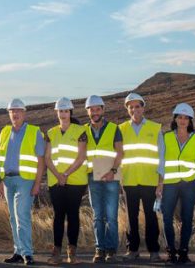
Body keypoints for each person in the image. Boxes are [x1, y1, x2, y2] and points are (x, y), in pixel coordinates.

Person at [0, 98, 46, 265]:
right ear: (9, 113)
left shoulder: (34, 132)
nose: (15, 114)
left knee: (22, 216)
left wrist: (37, 183)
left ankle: (27, 253)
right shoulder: (4, 132)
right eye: (12, 111)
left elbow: (41, 161)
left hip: (25, 180)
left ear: (24, 113)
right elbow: (1, 158)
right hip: (8, 181)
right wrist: (0, 180)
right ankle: (18, 251)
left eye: (18, 110)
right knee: (13, 217)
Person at [159, 103, 195, 265]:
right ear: (175, 119)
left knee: (187, 218)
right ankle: (171, 252)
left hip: (189, 185)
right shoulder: (166, 137)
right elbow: (161, 161)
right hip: (170, 184)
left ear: (190, 120)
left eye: (186, 118)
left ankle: (184, 252)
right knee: (166, 218)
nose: (183, 120)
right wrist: (160, 184)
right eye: (180, 117)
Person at [44, 98, 88, 265]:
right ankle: (56, 252)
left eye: (65, 111)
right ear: (57, 113)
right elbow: (47, 158)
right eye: (60, 111)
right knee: (58, 216)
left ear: (70, 112)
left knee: (73, 215)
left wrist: (66, 174)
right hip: (56, 181)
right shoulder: (51, 133)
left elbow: (81, 156)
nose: (63, 114)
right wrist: (59, 175)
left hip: (76, 181)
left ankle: (72, 252)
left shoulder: (80, 131)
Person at [120, 93, 163, 262]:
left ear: (143, 108)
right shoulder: (121, 129)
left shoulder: (155, 128)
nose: (134, 109)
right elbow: (117, 155)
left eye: (137, 106)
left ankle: (154, 250)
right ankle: (133, 250)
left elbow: (161, 156)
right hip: (129, 180)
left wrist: (161, 182)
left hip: (150, 180)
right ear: (127, 109)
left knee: (151, 216)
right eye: (131, 107)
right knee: (131, 217)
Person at [84, 95, 123, 264]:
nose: (95, 112)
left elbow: (120, 152)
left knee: (111, 216)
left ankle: (111, 250)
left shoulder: (114, 128)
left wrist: (113, 171)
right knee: (98, 215)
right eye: (91, 110)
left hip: (111, 177)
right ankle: (100, 249)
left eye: (97, 109)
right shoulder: (83, 130)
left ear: (103, 110)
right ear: (88, 112)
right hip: (93, 177)